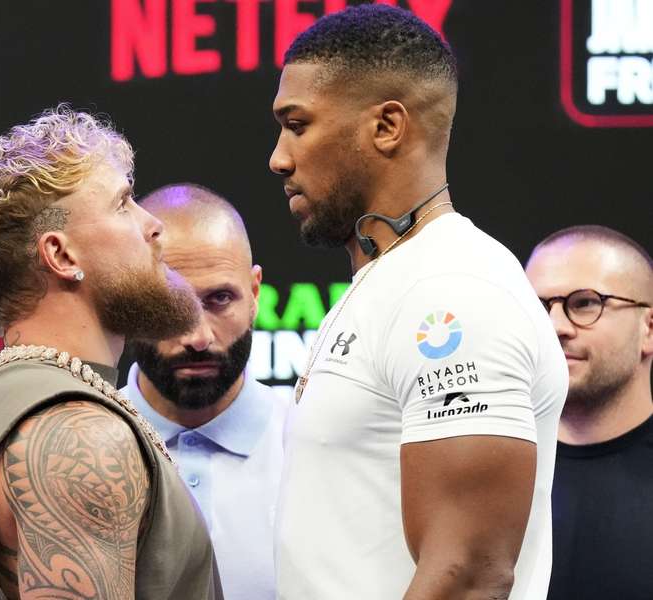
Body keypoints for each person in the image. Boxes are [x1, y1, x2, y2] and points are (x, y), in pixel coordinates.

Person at [268, 5, 567, 599]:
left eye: (297, 125)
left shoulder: (451, 289)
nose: (278, 156)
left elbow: (469, 576)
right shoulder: (389, 279)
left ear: (387, 127)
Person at [0, 106, 222, 600]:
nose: (154, 226)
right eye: (123, 204)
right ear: (61, 256)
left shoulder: (25, 402)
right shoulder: (77, 435)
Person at [123, 184, 289, 600]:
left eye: (219, 298)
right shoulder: (77, 450)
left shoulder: (314, 443)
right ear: (125, 301)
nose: (197, 336)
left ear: (254, 294)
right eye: (168, 302)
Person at [525, 225, 653, 600]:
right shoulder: (489, 469)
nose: (555, 326)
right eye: (538, 307)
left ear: (649, 330)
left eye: (585, 303)